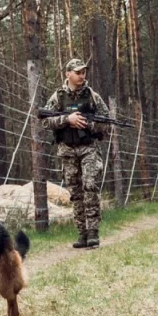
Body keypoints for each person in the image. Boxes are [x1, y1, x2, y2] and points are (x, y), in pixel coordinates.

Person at [40, 58, 111, 249]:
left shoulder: (93, 96)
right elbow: (45, 120)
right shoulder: (58, 97)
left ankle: (94, 232)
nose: (82, 75)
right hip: (67, 150)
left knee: (90, 186)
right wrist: (67, 119)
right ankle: (82, 234)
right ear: (68, 74)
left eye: (83, 72)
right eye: (78, 72)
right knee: (75, 192)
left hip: (88, 148)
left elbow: (107, 122)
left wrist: (91, 125)